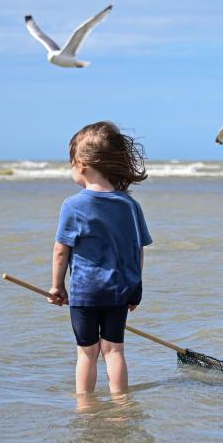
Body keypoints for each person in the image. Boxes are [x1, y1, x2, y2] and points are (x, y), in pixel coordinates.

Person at [48, 121, 151, 394]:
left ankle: (85, 405)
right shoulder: (130, 205)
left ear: (81, 165)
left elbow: (61, 250)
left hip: (86, 293)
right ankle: (121, 403)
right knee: (114, 350)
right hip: (120, 290)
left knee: (86, 352)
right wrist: (134, 288)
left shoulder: (73, 205)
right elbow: (137, 249)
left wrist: (57, 287)